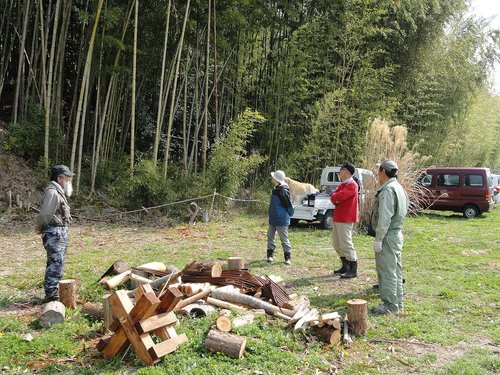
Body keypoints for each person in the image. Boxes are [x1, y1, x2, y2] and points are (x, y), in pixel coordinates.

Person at [370, 160, 409, 314]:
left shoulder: (388, 190)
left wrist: (379, 238)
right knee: (395, 270)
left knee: (387, 271)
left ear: (383, 172)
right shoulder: (399, 187)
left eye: (379, 171)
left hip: (388, 235)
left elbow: (385, 217)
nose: (378, 174)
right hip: (396, 233)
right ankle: (397, 303)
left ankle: (390, 306)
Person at [36, 165, 75, 303]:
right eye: (68, 178)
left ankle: (54, 292)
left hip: (58, 232)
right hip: (54, 233)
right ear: (59, 178)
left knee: (58, 263)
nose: (70, 180)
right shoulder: (52, 192)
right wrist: (39, 227)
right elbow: (46, 214)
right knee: (55, 264)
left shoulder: (58, 191)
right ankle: (51, 296)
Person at [330, 162, 359, 278]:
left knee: (346, 243)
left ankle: (353, 268)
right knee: (337, 244)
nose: (339, 172)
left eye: (341, 169)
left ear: (347, 172)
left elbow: (338, 197)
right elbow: (334, 199)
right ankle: (345, 265)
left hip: (345, 218)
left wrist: (335, 197)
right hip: (338, 217)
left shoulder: (352, 185)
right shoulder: (342, 185)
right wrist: (335, 197)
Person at [267, 170, 295, 265]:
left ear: (276, 179)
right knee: (270, 236)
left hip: (281, 219)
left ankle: (287, 258)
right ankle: (270, 256)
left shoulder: (283, 191)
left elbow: (289, 205)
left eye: (273, 177)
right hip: (273, 218)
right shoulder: (275, 188)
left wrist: (290, 213)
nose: (272, 178)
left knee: (284, 239)